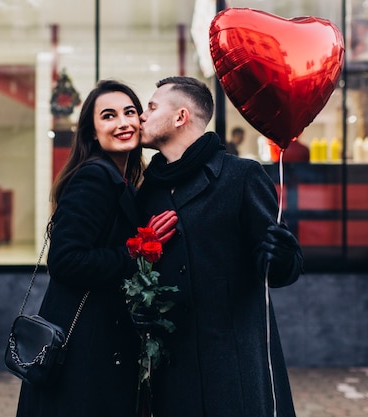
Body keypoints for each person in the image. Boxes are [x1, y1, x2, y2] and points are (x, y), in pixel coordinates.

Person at [136, 76, 304, 417]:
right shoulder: (146, 190)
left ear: (180, 116)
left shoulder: (240, 176)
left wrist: (281, 253)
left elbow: (283, 268)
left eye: (152, 107)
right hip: (173, 366)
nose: (141, 116)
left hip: (233, 366)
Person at [15, 79, 174, 417]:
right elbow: (65, 261)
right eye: (109, 116)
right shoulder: (94, 179)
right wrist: (137, 253)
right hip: (82, 349)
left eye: (130, 112)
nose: (123, 123)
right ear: (92, 133)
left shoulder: (122, 181)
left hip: (96, 344)